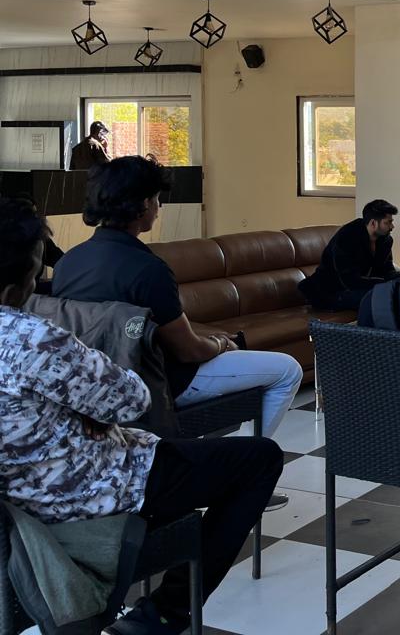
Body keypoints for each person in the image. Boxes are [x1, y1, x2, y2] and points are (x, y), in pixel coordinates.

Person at [0, 196, 283, 635]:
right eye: (37, 267)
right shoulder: (30, 339)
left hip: (17, 500)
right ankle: (165, 614)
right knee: (258, 459)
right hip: (85, 490)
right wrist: (85, 408)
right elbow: (133, 399)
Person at [53, 157, 303, 448]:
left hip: (92, 383)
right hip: (160, 383)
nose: (159, 209)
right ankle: (239, 466)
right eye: (158, 200)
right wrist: (222, 343)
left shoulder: (67, 263)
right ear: (145, 204)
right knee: (287, 370)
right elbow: (188, 351)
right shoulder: (148, 269)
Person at [298, 199, 400, 311]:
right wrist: (393, 284)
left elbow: (387, 271)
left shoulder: (385, 240)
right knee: (384, 296)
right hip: (330, 292)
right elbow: (350, 282)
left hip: (354, 288)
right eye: (388, 222)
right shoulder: (346, 239)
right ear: (373, 223)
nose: (392, 226)